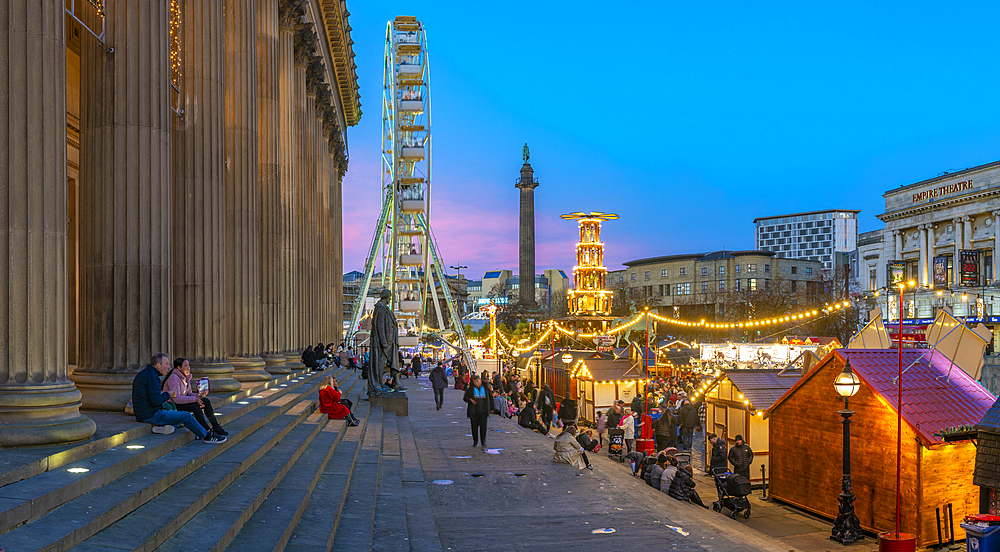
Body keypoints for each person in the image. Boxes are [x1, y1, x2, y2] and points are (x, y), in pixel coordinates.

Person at [131, 353, 225, 443]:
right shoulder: (154, 377)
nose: (169, 367)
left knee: (185, 414)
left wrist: (199, 396)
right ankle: (208, 436)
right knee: (187, 416)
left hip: (145, 413)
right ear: (158, 365)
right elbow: (156, 400)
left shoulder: (147, 373)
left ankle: (163, 427)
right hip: (151, 414)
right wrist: (169, 394)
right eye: (166, 364)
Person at [163, 358, 228, 437]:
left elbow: (189, 393)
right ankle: (207, 430)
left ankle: (216, 427)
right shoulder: (174, 377)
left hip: (181, 402)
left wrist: (200, 396)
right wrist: (195, 399)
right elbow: (176, 399)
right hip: (172, 405)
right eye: (185, 366)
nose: (188, 367)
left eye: (189, 365)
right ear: (179, 367)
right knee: (195, 406)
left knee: (205, 401)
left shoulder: (186, 377)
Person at [463, 374, 491, 447]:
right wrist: (470, 400)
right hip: (474, 411)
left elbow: (490, 398)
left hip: (483, 411)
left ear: (480, 381)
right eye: (475, 382)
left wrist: (491, 409)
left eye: (478, 381)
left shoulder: (485, 388)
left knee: (483, 427)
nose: (476, 383)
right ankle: (475, 441)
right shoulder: (471, 389)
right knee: (474, 427)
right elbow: (465, 398)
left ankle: (483, 441)